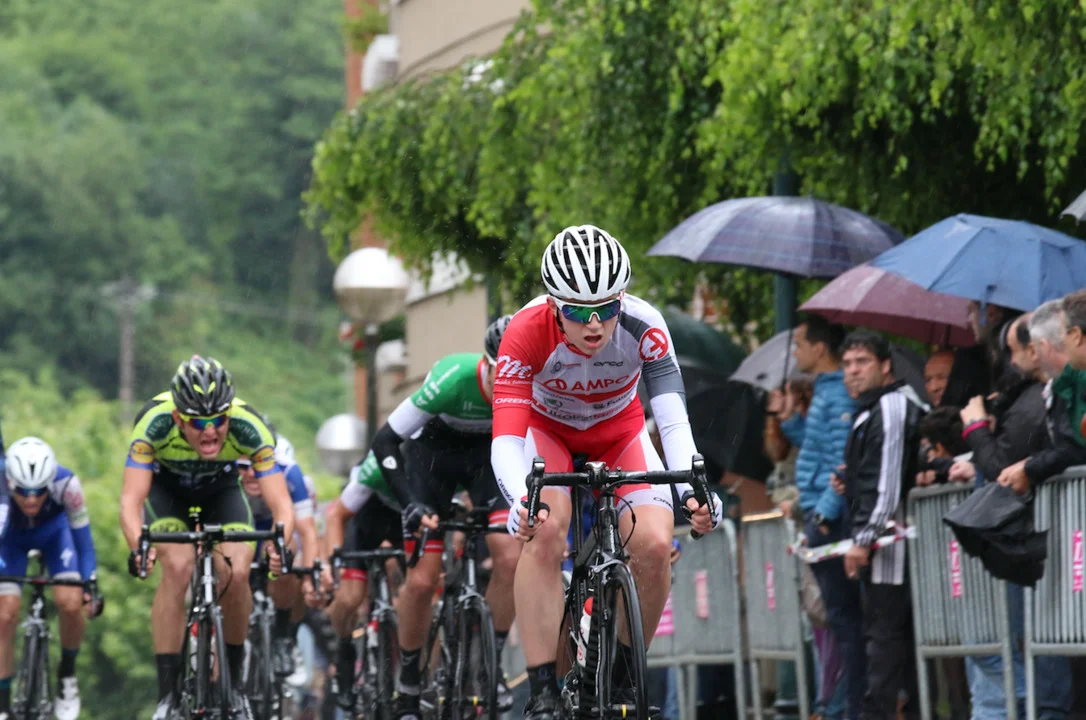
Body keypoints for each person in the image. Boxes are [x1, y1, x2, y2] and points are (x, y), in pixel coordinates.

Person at [491, 225, 721, 720]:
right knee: (545, 529)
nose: (595, 324)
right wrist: (520, 504)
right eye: (578, 312)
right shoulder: (524, 331)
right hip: (547, 433)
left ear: (622, 300)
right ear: (554, 306)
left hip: (620, 433)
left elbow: (673, 422)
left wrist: (694, 490)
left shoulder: (646, 324)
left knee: (655, 544)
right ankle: (542, 691)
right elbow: (506, 441)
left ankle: (620, 677)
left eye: (607, 308)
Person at [119, 356, 295, 719]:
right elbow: (131, 500)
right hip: (168, 494)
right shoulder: (152, 422)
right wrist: (138, 546)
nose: (210, 431)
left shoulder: (250, 426)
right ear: (178, 418)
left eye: (219, 420)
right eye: (199, 423)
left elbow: (282, 504)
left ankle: (234, 686)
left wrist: (279, 546)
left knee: (238, 572)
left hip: (222, 492)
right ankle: (167, 697)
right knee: (178, 567)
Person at [362, 315, 520, 720]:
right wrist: (410, 504)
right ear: (487, 365)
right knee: (421, 580)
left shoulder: (530, 387)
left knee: (510, 557)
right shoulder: (453, 378)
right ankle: (409, 681)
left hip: (488, 459)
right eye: (502, 373)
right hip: (433, 458)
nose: (509, 383)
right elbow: (385, 441)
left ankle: (488, 664)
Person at [774, 315, 863, 720]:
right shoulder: (827, 389)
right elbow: (817, 448)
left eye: (799, 344)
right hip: (819, 511)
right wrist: (789, 419)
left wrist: (824, 514)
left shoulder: (839, 392)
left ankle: (846, 709)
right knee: (835, 620)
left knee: (843, 620)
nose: (796, 352)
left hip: (830, 518)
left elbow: (841, 459)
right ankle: (840, 707)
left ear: (820, 348)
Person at [839, 331, 926, 720]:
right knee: (886, 642)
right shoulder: (870, 410)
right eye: (847, 364)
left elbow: (887, 484)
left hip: (892, 547)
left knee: (885, 643)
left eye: (862, 362)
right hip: (881, 543)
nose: (853, 371)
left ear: (886, 365)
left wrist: (863, 538)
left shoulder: (891, 406)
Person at [0, 437, 102, 720]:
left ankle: (67, 674)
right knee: (4, 613)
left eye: (39, 491)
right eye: (23, 491)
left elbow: (84, 542)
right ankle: (3, 702)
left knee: (70, 601)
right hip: (10, 540)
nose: (31, 499)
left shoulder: (67, 484)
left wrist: (90, 583)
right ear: (10, 482)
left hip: (55, 537)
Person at [320, 449, 404, 710]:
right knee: (350, 598)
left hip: (405, 526)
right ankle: (344, 649)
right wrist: (333, 565)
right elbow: (335, 516)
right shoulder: (371, 469)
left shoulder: (431, 463)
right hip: (365, 525)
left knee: (422, 587)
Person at [238, 432, 322, 677]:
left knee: (287, 553)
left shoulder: (291, 473)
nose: (252, 473)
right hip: (240, 527)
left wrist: (309, 578)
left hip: (275, 528)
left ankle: (284, 637)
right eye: (244, 466)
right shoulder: (225, 468)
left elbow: (307, 532)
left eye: (260, 466)